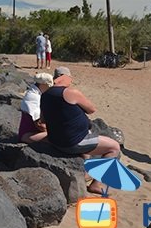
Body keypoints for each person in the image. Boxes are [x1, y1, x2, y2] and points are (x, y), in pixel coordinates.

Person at [40, 66, 121, 195]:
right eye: (69, 79)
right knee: (114, 147)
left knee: (90, 136)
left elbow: (43, 119)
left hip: (55, 139)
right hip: (72, 142)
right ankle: (96, 184)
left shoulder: (45, 95)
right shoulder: (71, 92)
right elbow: (91, 109)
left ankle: (85, 173)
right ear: (65, 78)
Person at [18, 72, 54, 143]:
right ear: (43, 84)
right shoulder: (34, 98)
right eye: (48, 86)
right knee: (59, 139)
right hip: (29, 135)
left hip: (32, 132)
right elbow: (39, 124)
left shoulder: (32, 93)